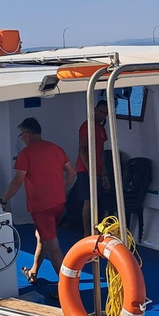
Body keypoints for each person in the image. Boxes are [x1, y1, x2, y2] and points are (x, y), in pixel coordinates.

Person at [2, 117, 76, 284]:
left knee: (53, 247)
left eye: (21, 135)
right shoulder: (56, 149)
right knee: (42, 236)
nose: (21, 139)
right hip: (59, 203)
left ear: (27, 135)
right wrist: (60, 188)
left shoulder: (26, 154)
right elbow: (71, 173)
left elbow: (17, 181)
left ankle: (68, 288)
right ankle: (33, 272)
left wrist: (4, 200)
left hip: (41, 207)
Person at [71, 99, 110, 233]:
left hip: (97, 170)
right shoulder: (86, 126)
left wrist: (104, 174)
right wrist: (90, 170)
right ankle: (87, 233)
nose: (102, 115)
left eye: (105, 113)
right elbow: (82, 149)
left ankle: (96, 230)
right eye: (100, 111)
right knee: (88, 201)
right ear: (94, 110)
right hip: (84, 169)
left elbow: (101, 152)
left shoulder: (101, 129)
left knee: (98, 201)